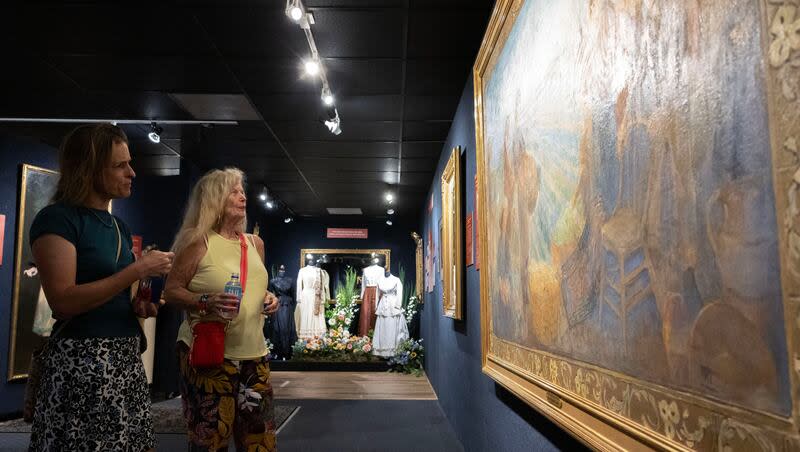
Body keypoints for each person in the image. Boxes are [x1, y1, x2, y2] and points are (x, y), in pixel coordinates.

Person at [28, 123, 174, 451]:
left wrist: (140, 305)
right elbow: (63, 301)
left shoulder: (117, 225)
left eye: (130, 163)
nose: (132, 172)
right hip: (83, 364)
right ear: (89, 169)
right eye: (120, 165)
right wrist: (136, 270)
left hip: (123, 361)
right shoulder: (58, 220)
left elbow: (118, 294)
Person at [164, 167, 279, 451]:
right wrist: (204, 301)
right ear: (215, 198)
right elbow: (171, 290)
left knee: (259, 440)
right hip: (210, 355)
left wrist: (268, 298)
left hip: (254, 354)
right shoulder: (197, 241)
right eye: (234, 191)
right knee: (210, 440)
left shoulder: (255, 243)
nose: (242, 196)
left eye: (242, 191)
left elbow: (253, 284)